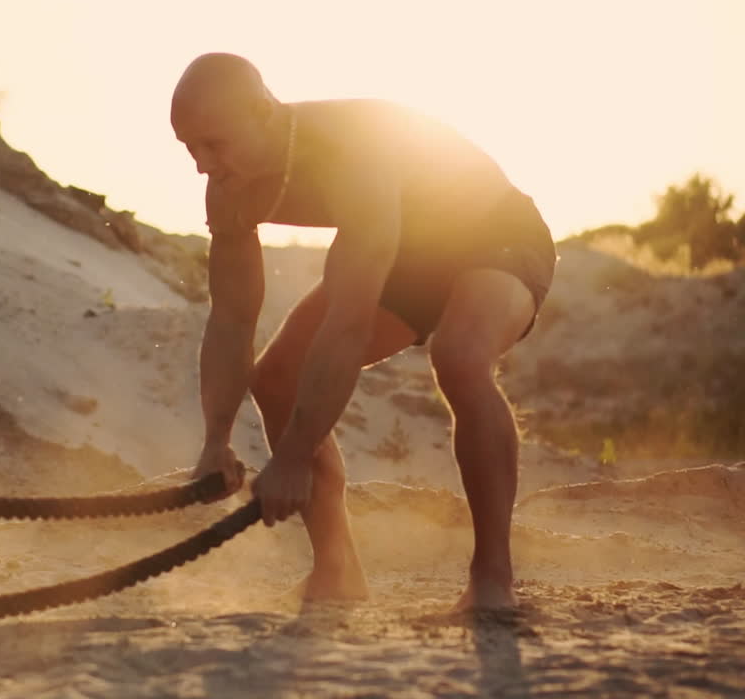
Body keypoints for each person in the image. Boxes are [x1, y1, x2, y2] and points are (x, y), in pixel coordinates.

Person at [173, 53, 557, 610]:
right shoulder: (231, 189)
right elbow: (231, 320)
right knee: (277, 377)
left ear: (263, 111)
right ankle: (338, 571)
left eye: (214, 144)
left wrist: (296, 456)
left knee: (459, 355)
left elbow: (348, 321)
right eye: (189, 148)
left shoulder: (353, 153)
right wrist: (215, 441)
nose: (203, 166)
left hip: (497, 234)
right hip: (407, 253)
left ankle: (493, 578)